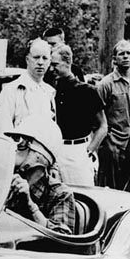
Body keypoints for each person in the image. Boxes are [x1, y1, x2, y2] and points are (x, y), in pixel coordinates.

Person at [4, 116, 77, 234]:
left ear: (39, 154)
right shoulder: (5, 181)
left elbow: (61, 239)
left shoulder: (60, 194)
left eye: (20, 142)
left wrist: (30, 206)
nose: (14, 148)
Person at [51, 44, 106, 185]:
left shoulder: (88, 91)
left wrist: (90, 151)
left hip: (78, 153)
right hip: (56, 152)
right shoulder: (51, 91)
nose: (51, 69)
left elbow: (103, 126)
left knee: (82, 199)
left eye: (55, 64)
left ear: (68, 62)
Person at [95, 39, 130, 189]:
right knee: (110, 187)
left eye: (129, 53)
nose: (126, 57)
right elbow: (96, 118)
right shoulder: (105, 84)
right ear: (114, 59)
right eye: (122, 54)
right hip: (112, 145)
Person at [0, 39, 57, 134]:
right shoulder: (11, 90)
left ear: (50, 61)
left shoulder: (49, 92)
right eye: (36, 57)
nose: (40, 62)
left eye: (45, 58)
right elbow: (2, 129)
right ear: (27, 59)